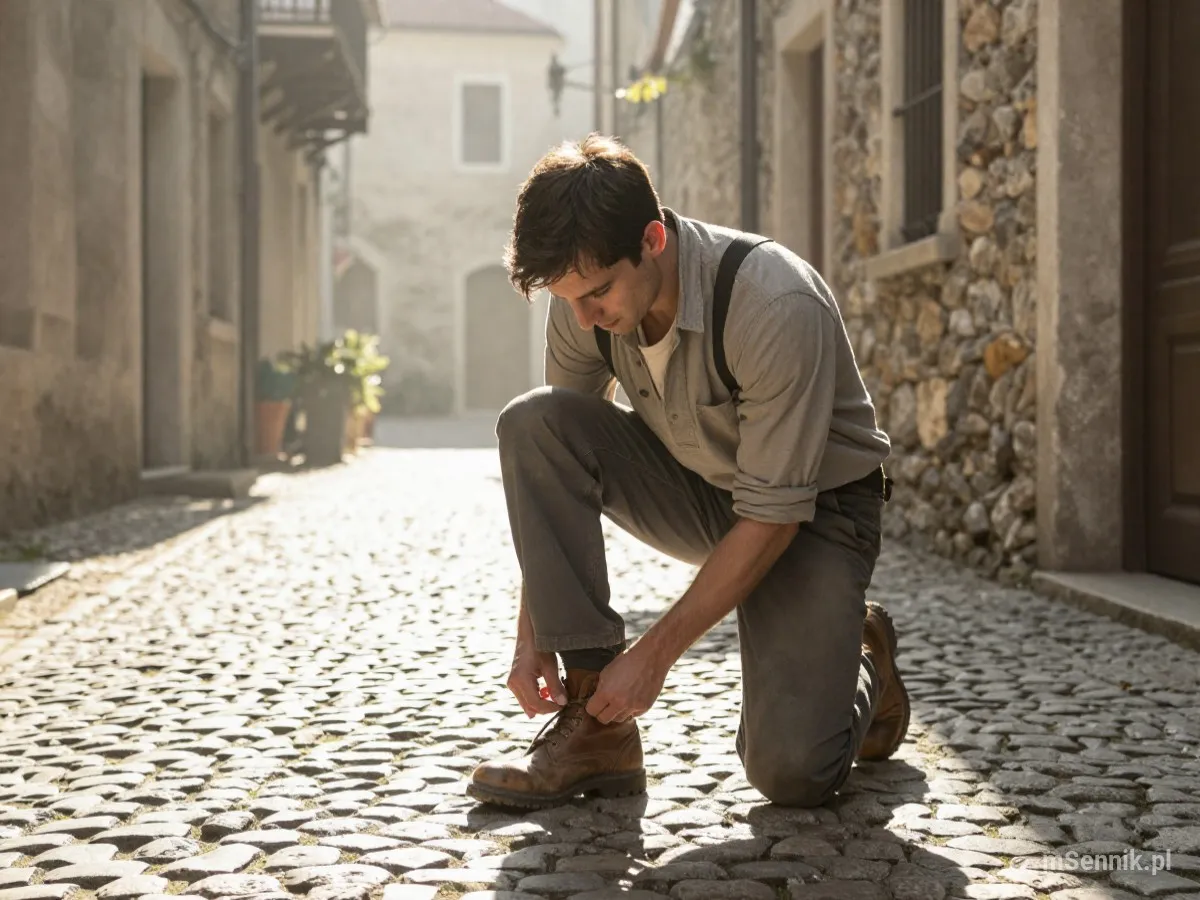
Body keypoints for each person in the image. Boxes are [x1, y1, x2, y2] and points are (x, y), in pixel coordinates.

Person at [466, 135, 908, 810]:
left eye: (598, 293)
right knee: (534, 422)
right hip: (702, 490)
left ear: (652, 238)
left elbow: (774, 514)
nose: (585, 317)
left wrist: (653, 655)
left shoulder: (774, 303)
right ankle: (597, 733)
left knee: (792, 773)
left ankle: (865, 651)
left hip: (816, 514)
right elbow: (552, 459)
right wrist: (533, 638)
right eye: (569, 298)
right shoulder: (585, 303)